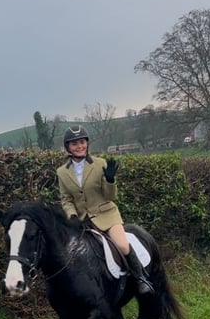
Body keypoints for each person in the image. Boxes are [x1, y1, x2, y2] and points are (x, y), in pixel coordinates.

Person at [56, 125, 153, 294]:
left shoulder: (100, 164)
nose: (79, 146)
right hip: (82, 221)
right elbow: (66, 198)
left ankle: (140, 278)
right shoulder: (62, 172)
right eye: (74, 144)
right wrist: (71, 215)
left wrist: (109, 180)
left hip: (106, 216)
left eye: (82, 142)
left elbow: (110, 196)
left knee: (122, 245)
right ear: (68, 148)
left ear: (87, 143)